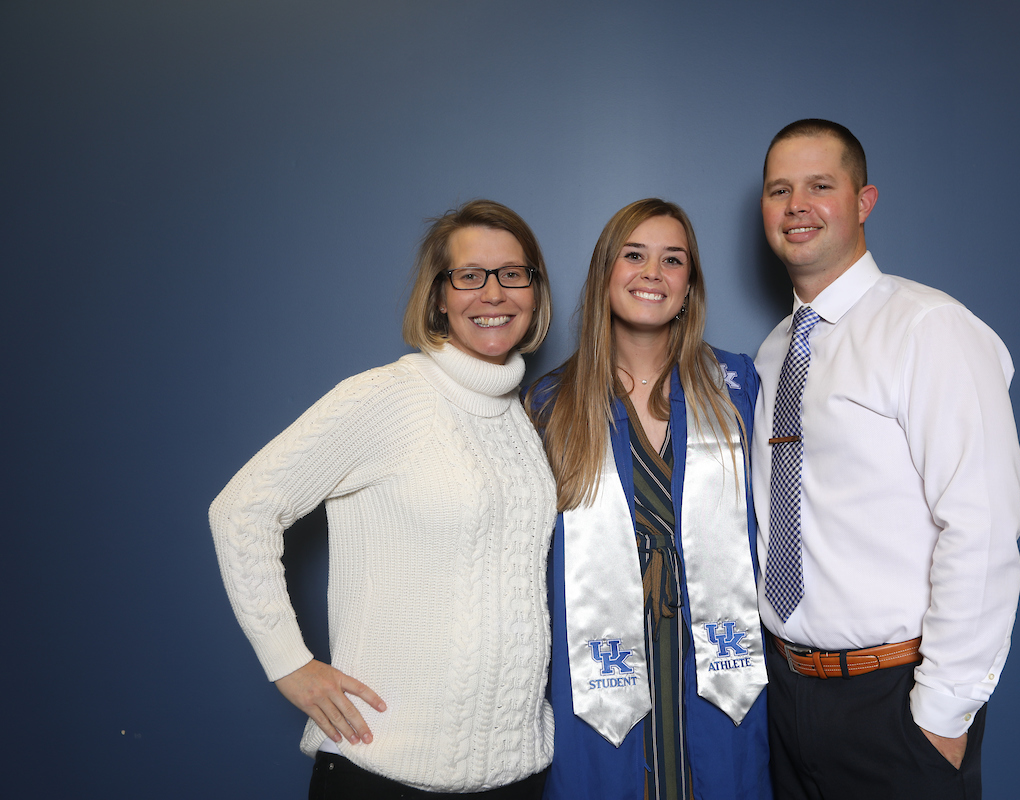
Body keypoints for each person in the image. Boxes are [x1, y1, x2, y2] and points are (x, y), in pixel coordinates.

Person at [209, 199, 557, 798]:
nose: (493, 293)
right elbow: (242, 509)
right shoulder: (386, 397)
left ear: (534, 289)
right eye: (469, 275)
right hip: (385, 770)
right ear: (439, 297)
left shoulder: (521, 420)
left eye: (512, 274)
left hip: (516, 775)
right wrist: (289, 662)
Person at [752, 119, 1020, 799]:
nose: (797, 206)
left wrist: (942, 711)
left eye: (820, 186)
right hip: (784, 699)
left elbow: (982, 527)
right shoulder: (773, 352)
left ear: (863, 202)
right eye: (779, 190)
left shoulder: (930, 329)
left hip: (895, 703)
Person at [526, 199, 772, 800]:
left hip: (714, 652)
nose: (652, 273)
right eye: (634, 255)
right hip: (599, 658)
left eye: (673, 260)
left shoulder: (736, 387)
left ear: (689, 287)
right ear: (604, 273)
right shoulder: (550, 404)